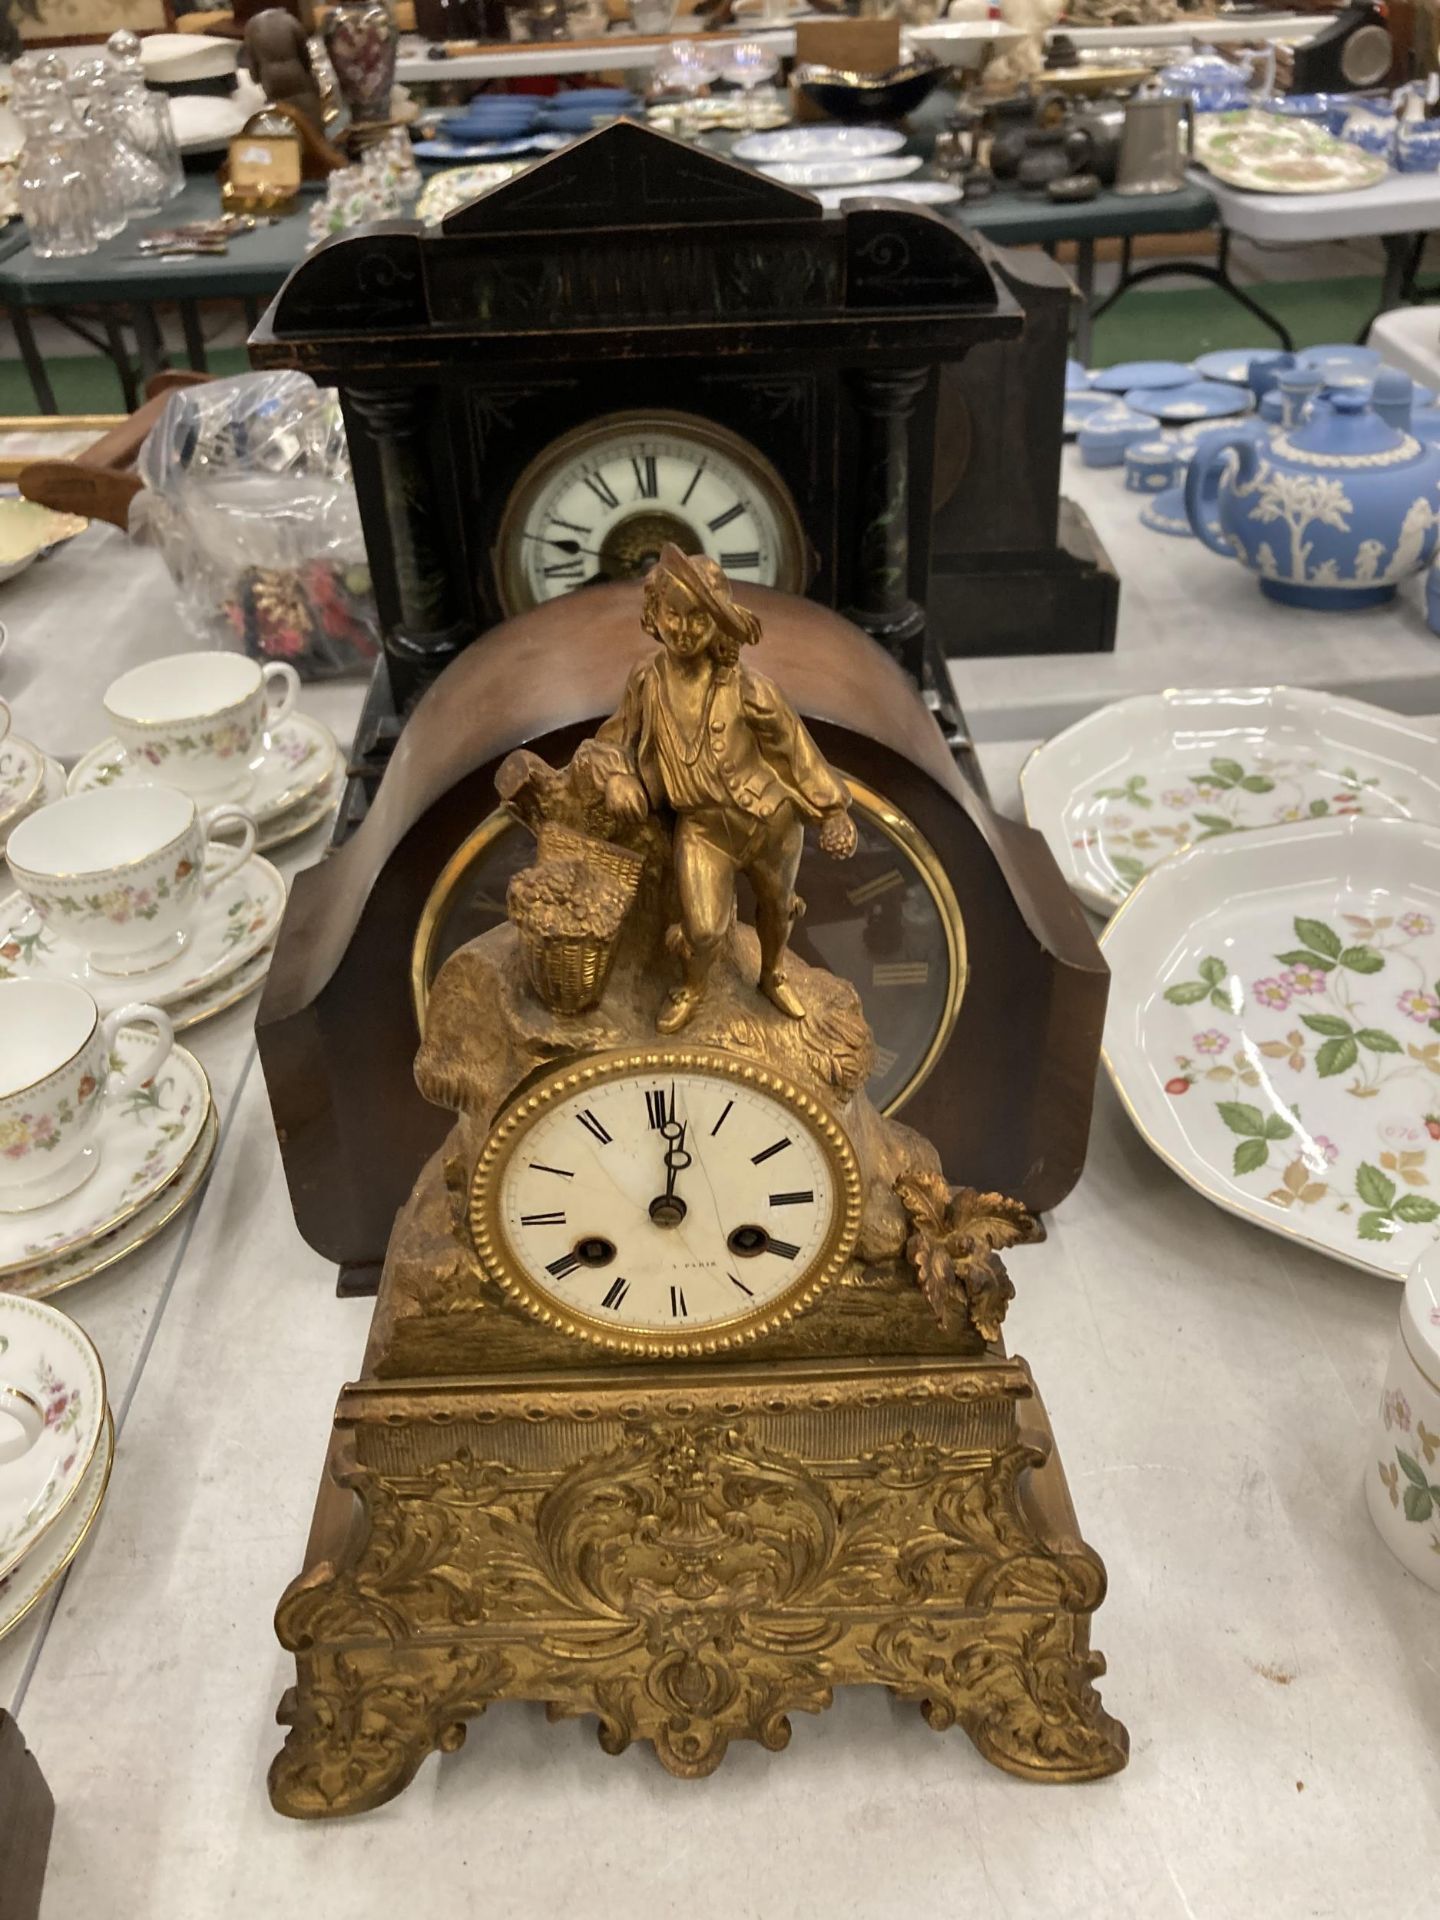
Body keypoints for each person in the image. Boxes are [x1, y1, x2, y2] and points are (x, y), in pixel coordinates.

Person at [595, 544, 857, 1035]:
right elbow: (616, 740)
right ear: (654, 614)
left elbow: (797, 751)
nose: (685, 630)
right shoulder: (646, 682)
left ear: (719, 626)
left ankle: (773, 974)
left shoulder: (750, 689)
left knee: (777, 907)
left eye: (699, 620)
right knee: (704, 929)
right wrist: (618, 776)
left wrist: (833, 812)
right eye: (673, 615)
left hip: (771, 823)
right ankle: (694, 986)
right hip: (704, 830)